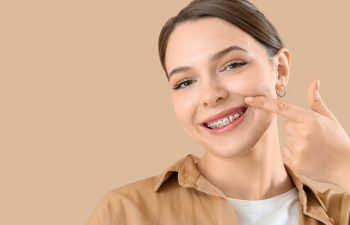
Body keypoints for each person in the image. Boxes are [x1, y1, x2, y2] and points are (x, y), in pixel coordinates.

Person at [87, 0, 350, 224]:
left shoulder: (342, 214)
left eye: (232, 65)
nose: (211, 95)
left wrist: (344, 165)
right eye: (185, 82)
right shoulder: (126, 212)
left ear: (280, 70)